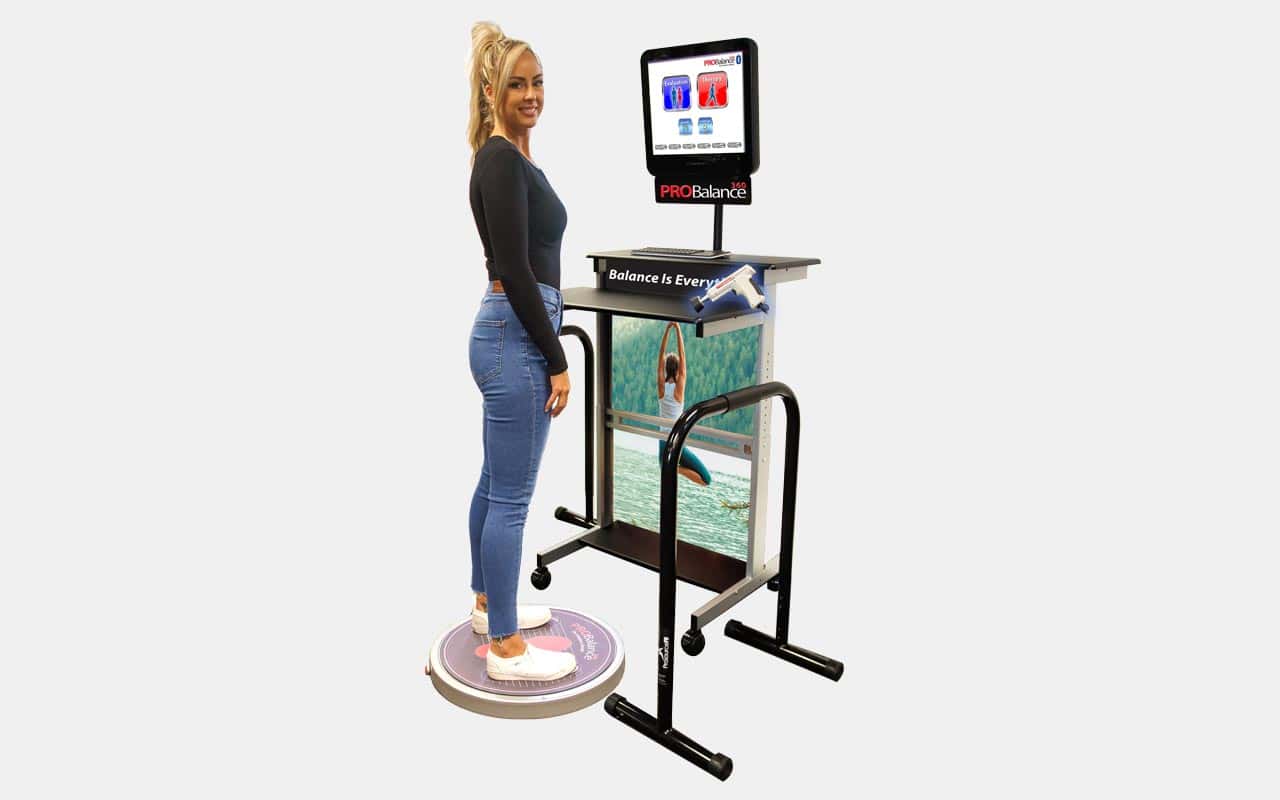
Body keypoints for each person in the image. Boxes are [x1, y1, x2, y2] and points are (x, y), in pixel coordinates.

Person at [464, 21, 576, 682]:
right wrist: (556, 358)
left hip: (508, 332)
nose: (531, 94)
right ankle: (505, 646)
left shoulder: (509, 158)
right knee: (510, 497)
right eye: (516, 85)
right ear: (492, 91)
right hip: (518, 336)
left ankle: (489, 606)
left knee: (493, 484)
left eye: (537, 83)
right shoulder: (502, 158)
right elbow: (513, 266)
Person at [656, 322, 712, 487]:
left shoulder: (661, 388)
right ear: (678, 369)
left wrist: (667, 330)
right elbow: (683, 359)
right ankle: (676, 469)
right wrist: (678, 329)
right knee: (706, 480)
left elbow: (661, 355)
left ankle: (673, 467)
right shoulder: (678, 389)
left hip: (663, 440)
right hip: (676, 440)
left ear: (665, 369)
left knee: (664, 468)